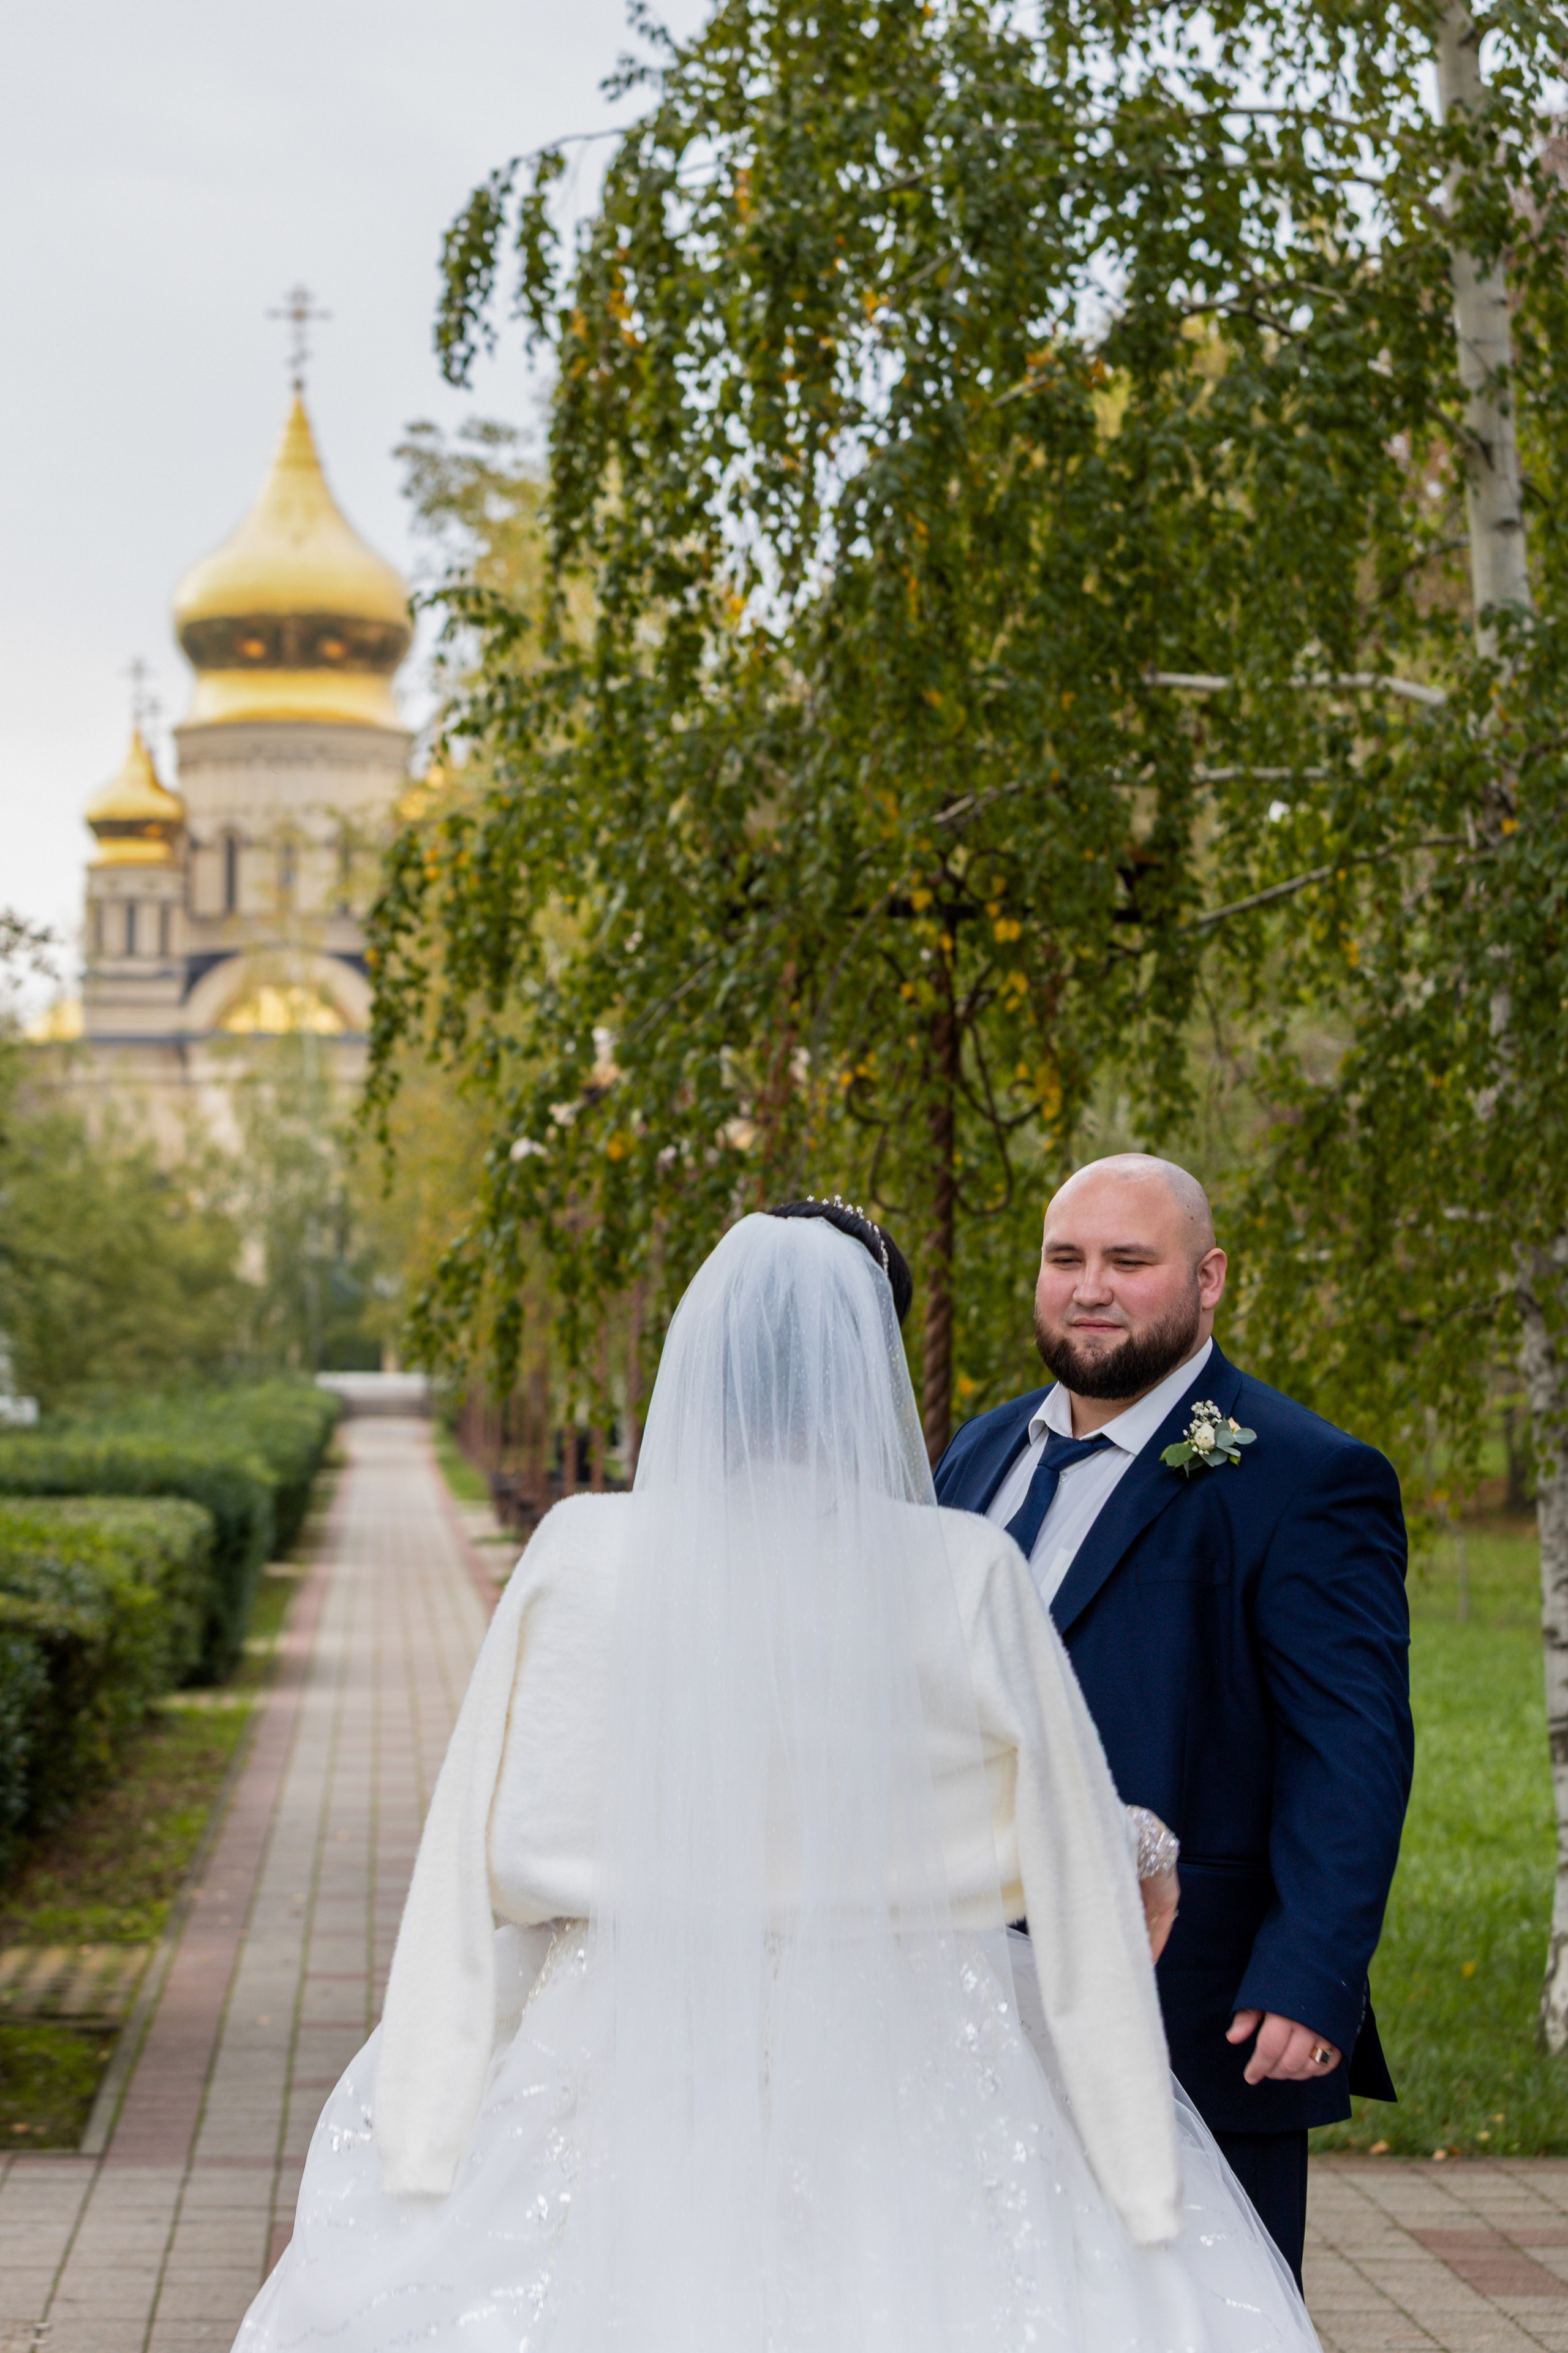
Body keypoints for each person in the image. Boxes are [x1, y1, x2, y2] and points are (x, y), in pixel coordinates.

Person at [235, 1206, 1319, 2353]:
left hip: (615, 2020)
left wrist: (427, 2089)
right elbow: (1054, 1832)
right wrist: (1138, 1890)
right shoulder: (962, 1570)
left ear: (704, 1356)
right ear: (873, 1364)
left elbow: (475, 1837)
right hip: (911, 2029)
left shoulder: (579, 1554)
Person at [933, 1155, 1414, 2288]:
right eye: (1067, 1259)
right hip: (964, 1999)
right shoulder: (975, 1455)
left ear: (1209, 1280)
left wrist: (1310, 1970)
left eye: (1127, 1262)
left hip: (1188, 2001)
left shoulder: (1303, 1474)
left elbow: (1350, 1749)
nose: (1090, 1287)